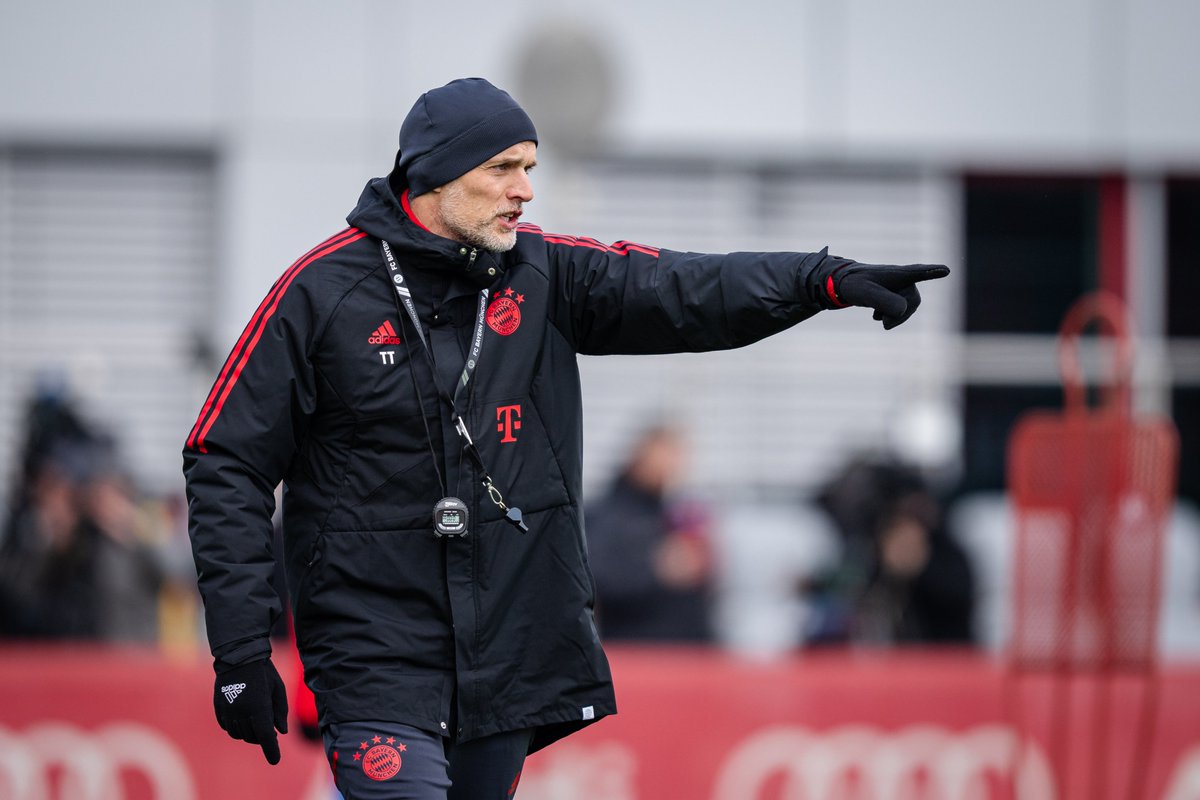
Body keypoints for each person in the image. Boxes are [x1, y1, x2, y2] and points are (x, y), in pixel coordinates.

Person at [183, 77, 950, 799]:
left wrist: (820, 281)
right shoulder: (318, 293)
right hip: (374, 657)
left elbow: (686, 289)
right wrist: (242, 650)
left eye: (530, 168)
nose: (525, 188)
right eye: (504, 168)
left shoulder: (542, 272)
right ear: (437, 176)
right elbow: (225, 460)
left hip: (507, 658)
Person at [585, 425, 714, 642]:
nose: (670, 467)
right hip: (634, 650)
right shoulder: (606, 514)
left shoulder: (672, 513)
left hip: (685, 653)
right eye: (663, 457)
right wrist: (657, 570)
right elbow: (593, 578)